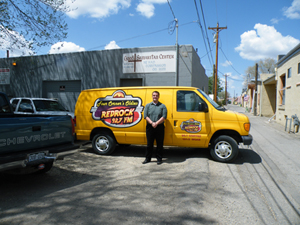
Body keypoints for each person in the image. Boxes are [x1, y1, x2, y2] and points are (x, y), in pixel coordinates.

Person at [143, 91, 167, 165]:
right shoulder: (148, 106)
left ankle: (159, 159)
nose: (155, 97)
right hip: (150, 127)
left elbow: (164, 117)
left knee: (159, 144)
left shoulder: (162, 106)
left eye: (156, 95)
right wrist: (152, 123)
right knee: (149, 144)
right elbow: (145, 116)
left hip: (159, 127)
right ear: (152, 96)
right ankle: (148, 158)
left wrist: (156, 123)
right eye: (154, 95)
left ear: (158, 97)